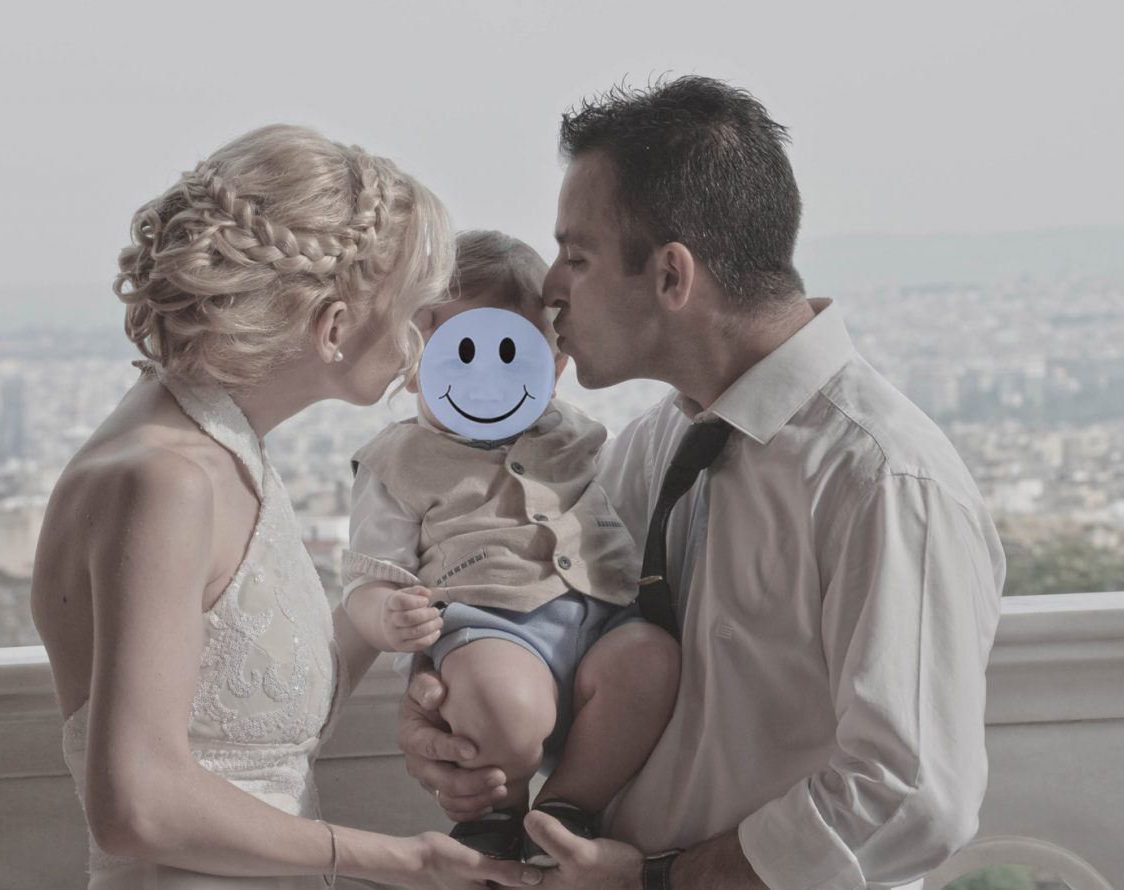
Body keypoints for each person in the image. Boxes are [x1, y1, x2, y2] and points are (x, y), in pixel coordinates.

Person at [397, 77, 1006, 889]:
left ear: (672, 276)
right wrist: (445, 711)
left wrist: (661, 879)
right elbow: (554, 632)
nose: (551, 290)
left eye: (577, 257)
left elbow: (910, 797)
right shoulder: (650, 450)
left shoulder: (884, 480)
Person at [30, 124, 542, 890]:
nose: (419, 347)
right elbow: (136, 804)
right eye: (412, 312)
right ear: (333, 327)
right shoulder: (166, 480)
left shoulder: (224, 453)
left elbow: (249, 722)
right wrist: (407, 860)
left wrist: (383, 615)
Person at [341, 231, 681, 865]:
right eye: (460, 355)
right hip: (491, 628)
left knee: (652, 661)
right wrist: (386, 616)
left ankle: (566, 808)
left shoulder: (579, 435)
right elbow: (369, 573)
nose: (486, 381)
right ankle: (500, 810)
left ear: (553, 367)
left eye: (512, 356)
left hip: (605, 623)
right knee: (503, 704)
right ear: (415, 364)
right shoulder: (398, 460)